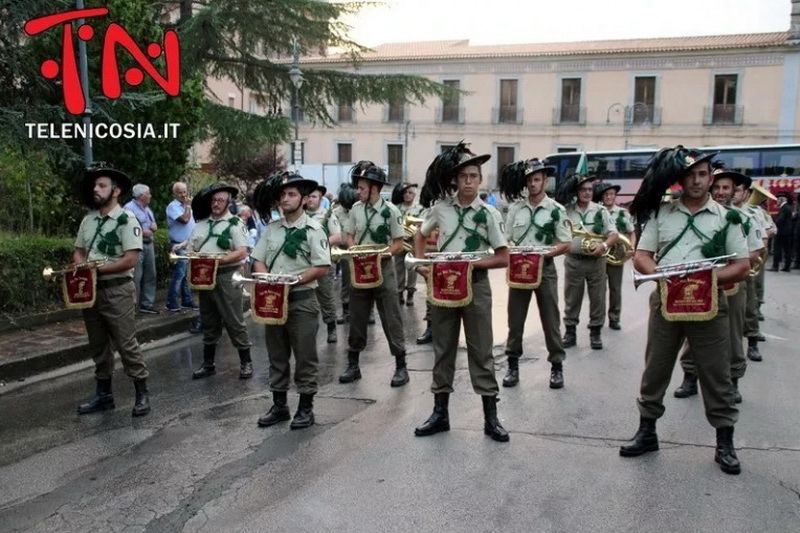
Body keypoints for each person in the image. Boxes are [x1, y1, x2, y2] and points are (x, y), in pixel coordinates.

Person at [622, 146, 750, 475]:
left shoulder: (728, 217)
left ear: (711, 179)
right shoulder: (661, 214)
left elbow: (741, 266)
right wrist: (664, 276)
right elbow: (642, 255)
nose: (697, 180)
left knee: (716, 373)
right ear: (681, 179)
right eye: (691, 174)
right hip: (667, 300)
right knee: (656, 367)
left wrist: (706, 280)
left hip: (709, 304)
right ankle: (647, 432)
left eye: (703, 174)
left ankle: (725, 442)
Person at [412, 142, 510, 442]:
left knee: (481, 351)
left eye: (473, 176)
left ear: (480, 180)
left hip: (475, 286)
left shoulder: (490, 213)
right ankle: (440, 413)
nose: (468, 182)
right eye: (463, 176)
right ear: (455, 180)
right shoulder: (441, 209)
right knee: (443, 350)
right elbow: (419, 235)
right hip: (443, 286)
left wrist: (474, 264)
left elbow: (504, 256)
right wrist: (420, 266)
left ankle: (490, 418)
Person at [673, 165, 763, 403]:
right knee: (693, 330)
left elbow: (754, 253)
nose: (721, 192)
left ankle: (733, 381)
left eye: (727, 188)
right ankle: (690, 377)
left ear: (734, 191)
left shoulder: (745, 218)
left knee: (733, 334)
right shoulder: (697, 214)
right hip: (698, 284)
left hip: (731, 284)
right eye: (718, 187)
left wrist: (727, 269)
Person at [251, 173, 331, 429]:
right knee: (276, 353)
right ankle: (280, 405)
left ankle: (306, 408)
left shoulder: (314, 230)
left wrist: (294, 281)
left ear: (305, 200)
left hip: (302, 299)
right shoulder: (272, 229)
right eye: (283, 195)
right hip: (274, 299)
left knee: (305, 355)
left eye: (292, 194)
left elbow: (322, 266)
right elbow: (258, 259)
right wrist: (266, 277)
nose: (285, 199)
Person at [73, 164, 150, 417]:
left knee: (126, 344)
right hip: (91, 291)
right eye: (95, 185)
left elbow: (131, 259)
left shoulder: (127, 219)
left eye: (102, 185)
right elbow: (79, 250)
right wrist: (81, 267)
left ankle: (142, 393)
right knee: (98, 345)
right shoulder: (89, 219)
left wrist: (96, 270)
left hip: (118, 290)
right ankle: (104, 395)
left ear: (116, 191)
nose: (96, 189)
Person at [500, 159, 572, 389]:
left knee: (550, 319)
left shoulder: (556, 210)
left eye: (537, 179)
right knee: (515, 318)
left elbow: (566, 243)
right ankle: (512, 365)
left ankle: (557, 366)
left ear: (545, 181)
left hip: (545, 268)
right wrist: (515, 251)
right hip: (519, 268)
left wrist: (545, 254)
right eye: (530, 180)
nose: (532, 184)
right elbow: (506, 237)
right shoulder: (515, 209)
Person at [339, 161, 408, 387]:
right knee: (357, 316)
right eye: (358, 187)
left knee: (391, 316)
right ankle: (353, 364)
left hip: (383, 268)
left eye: (362, 187)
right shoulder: (356, 209)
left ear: (375, 188)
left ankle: (401, 366)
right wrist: (354, 249)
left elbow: (399, 243)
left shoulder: (391, 211)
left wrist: (381, 255)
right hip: (359, 269)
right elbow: (349, 235)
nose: (358, 191)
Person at [177, 182, 253, 380]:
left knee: (234, 319)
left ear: (229, 202)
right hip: (204, 276)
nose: (216, 204)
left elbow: (242, 251)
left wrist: (219, 260)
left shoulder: (236, 224)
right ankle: (208, 364)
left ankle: (246, 362)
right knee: (208, 318)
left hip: (227, 276)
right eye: (213, 200)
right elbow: (191, 248)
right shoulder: (201, 224)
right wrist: (194, 256)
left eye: (220, 200)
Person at [557, 174, 618, 350]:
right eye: (583, 189)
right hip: (574, 260)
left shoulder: (601, 211)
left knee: (598, 298)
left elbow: (613, 234)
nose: (587, 193)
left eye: (590, 190)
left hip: (597, 262)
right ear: (577, 192)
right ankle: (570, 332)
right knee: (572, 298)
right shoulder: (566, 211)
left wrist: (604, 245)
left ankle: (595, 333)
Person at [594, 182, 636, 330]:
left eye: (611, 194)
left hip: (617, 253)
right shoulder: (597, 211)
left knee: (615, 288)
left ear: (615, 196)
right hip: (600, 252)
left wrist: (631, 247)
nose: (609, 197)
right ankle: (598, 319)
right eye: (606, 194)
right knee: (599, 289)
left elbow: (631, 232)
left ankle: (614, 318)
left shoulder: (623, 213)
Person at [305, 184, 341, 343]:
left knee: (326, 296)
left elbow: (338, 236)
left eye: (314, 196)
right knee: (306, 298)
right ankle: (309, 330)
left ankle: (331, 326)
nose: (311, 199)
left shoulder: (327, 215)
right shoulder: (301, 215)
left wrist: (319, 243)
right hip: (304, 264)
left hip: (323, 262)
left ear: (320, 199)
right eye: (309, 196)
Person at [124, 183, 159, 314]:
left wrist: (153, 227)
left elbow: (152, 225)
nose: (150, 196)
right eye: (148, 193)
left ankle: (147, 304)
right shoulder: (129, 208)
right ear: (141, 196)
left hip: (149, 245)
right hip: (136, 247)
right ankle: (132, 306)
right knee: (136, 277)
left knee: (151, 275)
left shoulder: (147, 209)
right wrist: (144, 232)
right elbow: (127, 228)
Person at [166, 181, 198, 312]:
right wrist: (188, 207)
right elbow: (184, 220)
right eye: (179, 192)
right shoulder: (173, 206)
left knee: (187, 275)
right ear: (174, 194)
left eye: (184, 192)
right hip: (178, 245)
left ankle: (187, 300)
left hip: (189, 245)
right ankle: (171, 302)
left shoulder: (187, 206)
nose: (183, 195)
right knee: (179, 275)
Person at [391, 181, 422, 306]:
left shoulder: (419, 208)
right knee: (399, 268)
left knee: (413, 268)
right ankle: (399, 292)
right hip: (399, 240)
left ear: (414, 195)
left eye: (410, 193)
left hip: (413, 242)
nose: (407, 195)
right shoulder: (396, 208)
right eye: (405, 193)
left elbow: (422, 225)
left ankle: (410, 293)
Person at [334, 184, 358, 325]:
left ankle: (369, 311)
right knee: (346, 281)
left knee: (366, 280)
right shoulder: (336, 213)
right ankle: (346, 310)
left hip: (360, 248)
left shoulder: (360, 210)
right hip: (345, 250)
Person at [771, 191, 794, 271]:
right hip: (787, 232)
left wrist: (773, 225)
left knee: (777, 249)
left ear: (781, 199)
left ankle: (775, 266)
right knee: (787, 250)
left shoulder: (784, 208)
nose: (777, 201)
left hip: (781, 232)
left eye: (778, 200)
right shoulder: (788, 207)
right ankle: (787, 267)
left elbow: (780, 220)